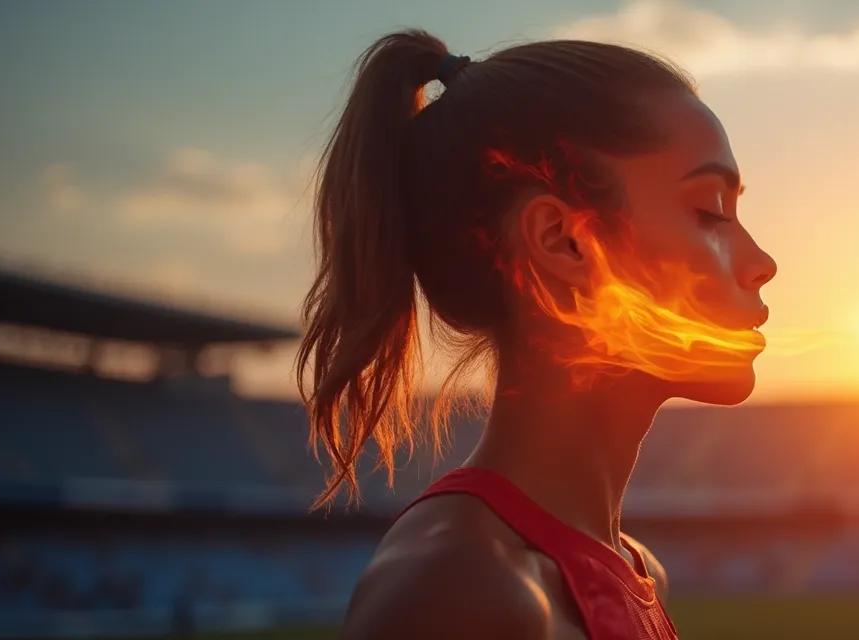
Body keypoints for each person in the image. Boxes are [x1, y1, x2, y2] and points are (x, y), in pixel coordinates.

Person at [295, 29, 777, 639]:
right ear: (562, 240)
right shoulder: (458, 596)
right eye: (710, 210)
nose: (761, 261)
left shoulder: (631, 567)